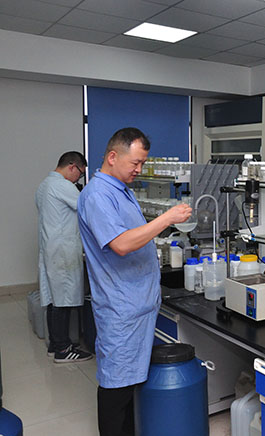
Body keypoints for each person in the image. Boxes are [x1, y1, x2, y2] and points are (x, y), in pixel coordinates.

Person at [77, 127, 191, 436]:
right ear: (113, 157)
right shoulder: (98, 195)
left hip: (136, 303)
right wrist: (167, 219)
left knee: (129, 386)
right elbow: (122, 244)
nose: (139, 170)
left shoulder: (121, 190)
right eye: (135, 163)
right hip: (121, 309)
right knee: (116, 389)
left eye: (143, 163)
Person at [36, 151, 92, 363]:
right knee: (63, 301)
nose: (79, 178)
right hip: (63, 251)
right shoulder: (63, 186)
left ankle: (56, 344)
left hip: (51, 249)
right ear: (72, 166)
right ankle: (63, 350)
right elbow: (87, 208)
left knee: (55, 299)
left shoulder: (44, 185)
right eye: (80, 173)